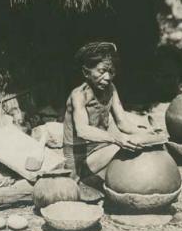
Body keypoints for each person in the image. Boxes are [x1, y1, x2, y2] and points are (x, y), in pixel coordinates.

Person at [63, 42, 164, 189]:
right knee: (125, 149)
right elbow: (82, 130)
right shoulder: (79, 95)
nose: (107, 77)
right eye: (102, 71)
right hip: (79, 158)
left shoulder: (110, 89)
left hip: (101, 149)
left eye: (111, 72)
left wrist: (146, 133)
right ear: (86, 72)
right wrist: (117, 139)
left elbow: (123, 122)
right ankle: (84, 181)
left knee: (143, 143)